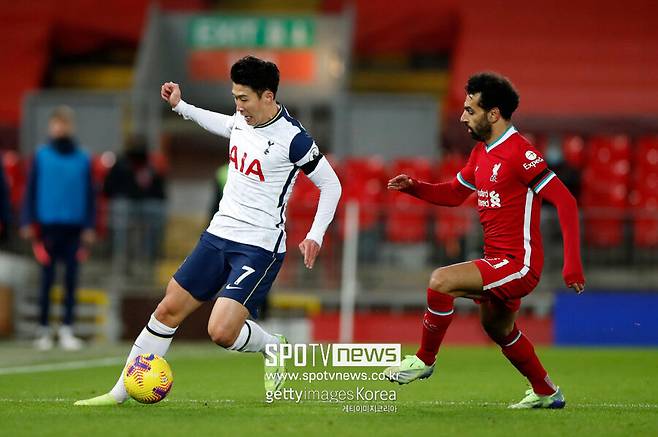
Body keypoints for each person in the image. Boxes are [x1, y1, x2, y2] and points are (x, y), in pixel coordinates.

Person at [75, 56, 342, 406]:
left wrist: (315, 234)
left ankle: (274, 347)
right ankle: (119, 393)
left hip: (259, 246)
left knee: (220, 331)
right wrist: (181, 106)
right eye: (235, 97)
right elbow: (225, 124)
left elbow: (331, 185)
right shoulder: (242, 120)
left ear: (267, 96)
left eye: (243, 98)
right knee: (168, 308)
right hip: (218, 235)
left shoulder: (293, 139)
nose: (238, 106)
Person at [383, 72, 585, 409]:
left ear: (493, 114)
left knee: (441, 281)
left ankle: (424, 360)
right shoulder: (482, 152)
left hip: (518, 264)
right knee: (498, 328)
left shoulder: (520, 152)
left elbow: (565, 200)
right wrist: (415, 187)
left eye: (470, 110)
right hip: (497, 261)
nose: (462, 117)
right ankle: (547, 392)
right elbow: (454, 194)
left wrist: (572, 265)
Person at [20, 106, 96, 351]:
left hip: (74, 228)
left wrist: (89, 225)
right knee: (46, 279)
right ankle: (43, 329)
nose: (60, 128)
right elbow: (30, 191)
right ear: (51, 126)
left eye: (64, 123)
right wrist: (26, 221)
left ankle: (67, 329)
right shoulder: (41, 156)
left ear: (70, 126)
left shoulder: (83, 157)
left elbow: (90, 194)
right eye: (56, 123)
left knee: (71, 281)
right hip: (47, 227)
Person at [103, 134, 167, 270]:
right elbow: (108, 187)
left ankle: (149, 258)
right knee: (120, 209)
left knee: (156, 211)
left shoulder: (151, 166)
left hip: (145, 204)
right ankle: (121, 256)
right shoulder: (121, 164)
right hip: (126, 203)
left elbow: (160, 192)